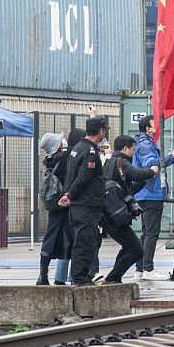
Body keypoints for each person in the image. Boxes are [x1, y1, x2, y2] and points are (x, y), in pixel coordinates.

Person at [131, 115, 174, 280]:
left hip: (145, 194)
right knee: (151, 233)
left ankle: (140, 269)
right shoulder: (145, 145)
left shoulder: (142, 143)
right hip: (151, 194)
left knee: (146, 233)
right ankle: (148, 269)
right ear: (148, 128)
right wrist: (171, 156)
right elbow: (151, 164)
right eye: (155, 125)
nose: (158, 127)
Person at [102, 135, 157, 284]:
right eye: (133, 149)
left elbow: (129, 190)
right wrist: (151, 171)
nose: (134, 153)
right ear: (125, 148)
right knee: (137, 250)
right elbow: (138, 174)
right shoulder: (122, 162)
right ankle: (111, 278)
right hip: (116, 217)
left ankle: (114, 278)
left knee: (128, 247)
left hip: (111, 215)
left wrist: (144, 180)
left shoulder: (112, 162)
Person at [61, 116, 108, 287]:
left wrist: (68, 194)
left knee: (81, 241)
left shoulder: (77, 148)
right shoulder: (90, 152)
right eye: (104, 131)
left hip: (78, 206)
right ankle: (80, 278)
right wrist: (71, 196)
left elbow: (70, 175)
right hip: (86, 205)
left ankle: (81, 276)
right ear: (101, 131)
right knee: (85, 242)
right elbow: (83, 177)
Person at [36, 133, 73, 285]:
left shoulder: (50, 161)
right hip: (65, 205)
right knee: (70, 239)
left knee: (50, 238)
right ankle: (67, 276)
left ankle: (43, 275)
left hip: (54, 206)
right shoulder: (65, 160)